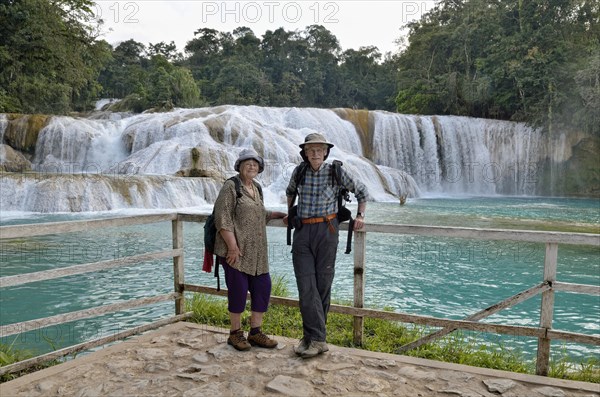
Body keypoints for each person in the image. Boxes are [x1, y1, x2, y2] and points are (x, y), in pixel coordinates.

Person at [284, 133, 368, 358]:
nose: (315, 153)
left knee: (323, 284)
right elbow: (290, 192)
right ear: (305, 152)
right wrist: (289, 212)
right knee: (305, 284)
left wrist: (360, 215)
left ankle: (312, 338)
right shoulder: (299, 171)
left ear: (325, 152)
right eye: (310, 150)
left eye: (319, 150)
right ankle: (317, 338)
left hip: (327, 230)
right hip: (302, 232)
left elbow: (362, 191)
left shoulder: (335, 171)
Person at [213, 148, 286, 351]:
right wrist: (232, 247)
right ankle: (235, 334)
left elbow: (260, 213)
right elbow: (222, 218)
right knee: (237, 291)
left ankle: (255, 333)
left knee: (263, 288)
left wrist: (281, 215)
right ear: (239, 166)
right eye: (247, 163)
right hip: (235, 250)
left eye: (255, 163)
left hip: (257, 252)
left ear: (259, 168)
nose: (251, 165)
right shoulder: (231, 186)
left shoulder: (257, 188)